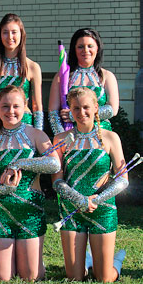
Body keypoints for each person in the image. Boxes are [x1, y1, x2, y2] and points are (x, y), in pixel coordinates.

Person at [0, 85, 60, 281]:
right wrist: (0, 188)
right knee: (1, 277)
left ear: (25, 107)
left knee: (31, 276)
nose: (10, 111)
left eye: (16, 106)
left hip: (29, 212)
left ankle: (32, 259)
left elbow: (54, 164)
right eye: (5, 106)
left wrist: (21, 163)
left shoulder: (36, 135)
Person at [52, 87, 127, 282]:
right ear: (70, 109)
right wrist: (79, 200)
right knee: (74, 277)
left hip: (102, 210)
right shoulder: (61, 140)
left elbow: (123, 179)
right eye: (76, 108)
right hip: (71, 209)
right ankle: (85, 259)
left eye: (86, 107)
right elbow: (57, 181)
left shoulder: (111, 137)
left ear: (96, 108)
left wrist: (97, 199)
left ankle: (116, 261)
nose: (81, 112)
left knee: (104, 278)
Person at [49, 28, 119, 134]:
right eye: (80, 47)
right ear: (74, 49)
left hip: (101, 136)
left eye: (90, 46)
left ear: (97, 48)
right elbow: (53, 114)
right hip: (72, 137)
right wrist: (62, 140)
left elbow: (112, 110)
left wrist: (75, 115)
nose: (85, 50)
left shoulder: (107, 76)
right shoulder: (62, 77)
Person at [0, 14, 43, 130]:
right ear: (0, 35)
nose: (10, 37)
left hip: (25, 126)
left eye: (14, 32)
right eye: (5, 32)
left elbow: (37, 106)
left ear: (21, 34)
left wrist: (38, 134)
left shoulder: (33, 67)